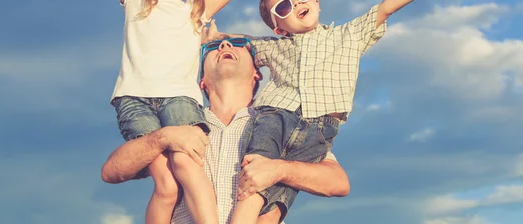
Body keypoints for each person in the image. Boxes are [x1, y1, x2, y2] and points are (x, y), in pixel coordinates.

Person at [0, 0, 295, 224]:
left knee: (185, 164)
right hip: (134, 100)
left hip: (180, 100)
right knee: (166, 185)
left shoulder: (197, 11)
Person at [230, 0, 456, 223]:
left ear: (316, 1)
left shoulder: (347, 35)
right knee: (252, 182)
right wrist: (213, 35)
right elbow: (242, 42)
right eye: (284, 6)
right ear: (279, 27)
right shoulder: (275, 46)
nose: (298, 3)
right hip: (275, 119)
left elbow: (386, 7)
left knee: (275, 206)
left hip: (320, 131)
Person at [101, 27, 350, 224]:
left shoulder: (279, 122)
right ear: (201, 81)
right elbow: (111, 172)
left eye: (239, 44)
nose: (225, 45)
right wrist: (162, 137)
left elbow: (338, 182)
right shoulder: (180, 123)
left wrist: (280, 170)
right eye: (211, 47)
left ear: (257, 73)